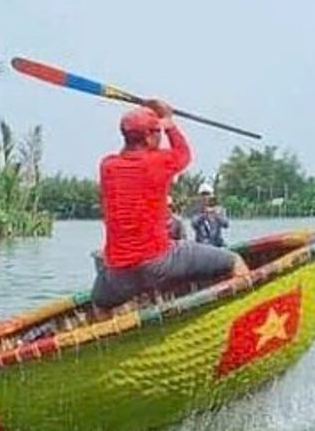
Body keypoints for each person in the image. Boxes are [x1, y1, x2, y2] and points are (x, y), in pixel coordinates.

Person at [92, 101, 249, 309]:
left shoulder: (107, 166)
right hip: (159, 262)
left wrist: (150, 118)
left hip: (119, 273)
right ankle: (237, 311)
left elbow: (128, 152)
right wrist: (168, 121)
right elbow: (183, 153)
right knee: (234, 261)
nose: (159, 136)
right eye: (156, 133)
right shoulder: (157, 162)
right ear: (149, 137)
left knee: (98, 303)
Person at [190, 181, 229, 247]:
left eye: (207, 194)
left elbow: (226, 224)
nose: (205, 197)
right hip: (201, 245)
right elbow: (194, 224)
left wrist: (216, 214)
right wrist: (204, 214)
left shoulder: (220, 209)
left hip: (217, 244)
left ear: (212, 195)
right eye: (203, 194)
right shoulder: (196, 210)